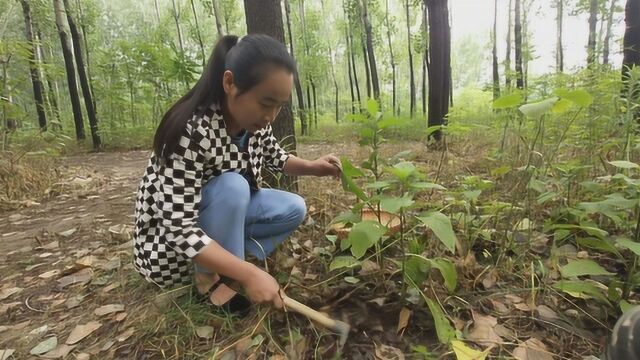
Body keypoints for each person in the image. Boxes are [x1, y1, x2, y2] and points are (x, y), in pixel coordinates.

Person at [132, 34, 342, 314]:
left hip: (214, 220)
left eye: (280, 106)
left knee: (293, 207)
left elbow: (275, 157)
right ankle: (207, 277)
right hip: (172, 245)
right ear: (230, 83)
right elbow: (178, 228)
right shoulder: (190, 131)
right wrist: (249, 274)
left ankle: (229, 264)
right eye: (266, 103)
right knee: (234, 186)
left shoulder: (255, 122)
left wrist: (313, 167)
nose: (271, 116)